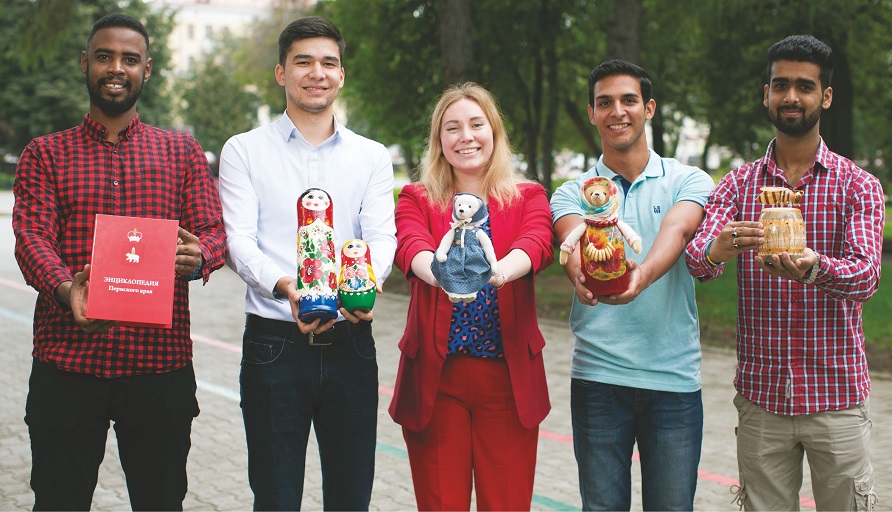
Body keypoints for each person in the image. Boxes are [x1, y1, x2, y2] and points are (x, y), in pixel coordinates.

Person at [12, 13, 226, 510]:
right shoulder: (45, 154)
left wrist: (199, 257)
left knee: (161, 501)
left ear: (146, 70)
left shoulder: (181, 152)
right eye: (104, 56)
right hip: (67, 362)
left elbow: (214, 232)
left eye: (130, 59)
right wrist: (68, 291)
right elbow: (31, 238)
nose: (116, 68)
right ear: (85, 63)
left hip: (159, 364)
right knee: (58, 502)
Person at [686, 35, 883, 511]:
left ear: (825, 97)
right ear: (766, 94)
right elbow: (696, 259)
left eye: (804, 86)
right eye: (780, 85)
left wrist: (815, 268)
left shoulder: (858, 185)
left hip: (836, 395)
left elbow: (866, 276)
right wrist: (717, 249)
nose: (791, 96)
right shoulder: (738, 184)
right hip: (763, 397)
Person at [217, 16, 396, 511]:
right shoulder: (244, 150)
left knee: (351, 497)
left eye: (328, 63)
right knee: (275, 498)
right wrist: (285, 286)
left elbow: (382, 237)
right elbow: (238, 241)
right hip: (274, 346)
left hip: (351, 343)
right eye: (303, 62)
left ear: (341, 75)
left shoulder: (372, 156)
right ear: (281, 73)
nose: (317, 73)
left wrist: (366, 282)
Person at [550, 59, 714, 511]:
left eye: (628, 100)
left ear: (649, 108)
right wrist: (580, 276)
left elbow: (679, 230)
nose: (617, 111)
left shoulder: (689, 179)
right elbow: (571, 240)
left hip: (673, 378)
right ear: (591, 113)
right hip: (598, 377)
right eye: (604, 103)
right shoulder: (571, 191)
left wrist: (641, 276)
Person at [388, 82, 553, 510]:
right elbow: (410, 246)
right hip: (436, 382)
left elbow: (537, 243)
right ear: (439, 141)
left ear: (494, 131)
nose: (466, 136)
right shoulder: (416, 197)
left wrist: (499, 272)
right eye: (453, 128)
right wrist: (441, 276)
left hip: (507, 381)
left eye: (477, 124)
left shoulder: (529, 195)